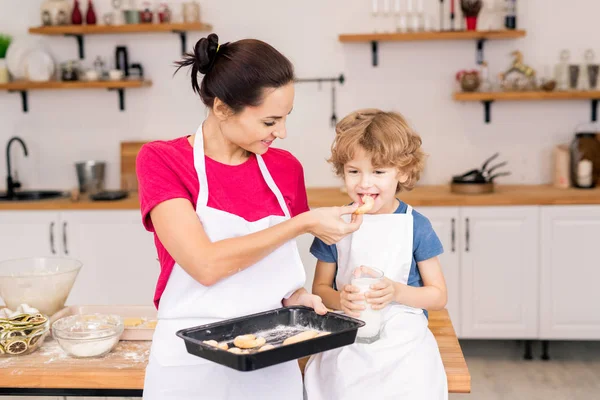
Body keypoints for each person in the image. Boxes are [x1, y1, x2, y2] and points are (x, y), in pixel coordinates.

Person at [136, 33, 362, 400]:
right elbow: (205, 265)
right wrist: (303, 222)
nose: (282, 133)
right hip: (191, 365)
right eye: (270, 121)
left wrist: (294, 298)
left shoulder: (285, 169)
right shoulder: (162, 161)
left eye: (286, 118)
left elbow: (267, 266)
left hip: (271, 355)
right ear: (223, 108)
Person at [303, 109, 449, 400]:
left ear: (403, 172)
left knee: (409, 382)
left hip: (402, 335)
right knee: (340, 381)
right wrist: (340, 298)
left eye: (378, 172)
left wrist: (395, 291)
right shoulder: (336, 224)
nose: (364, 184)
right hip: (349, 327)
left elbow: (437, 296)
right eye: (354, 171)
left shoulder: (415, 225)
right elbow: (320, 288)